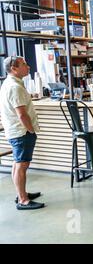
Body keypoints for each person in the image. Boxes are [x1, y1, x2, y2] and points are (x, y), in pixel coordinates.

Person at [0, 56, 43, 210]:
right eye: (24, 64)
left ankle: (21, 194)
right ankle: (23, 200)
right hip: (21, 131)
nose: (28, 66)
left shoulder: (10, 83)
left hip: (16, 130)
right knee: (22, 165)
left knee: (18, 163)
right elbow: (22, 114)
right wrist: (30, 130)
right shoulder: (15, 87)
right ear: (14, 68)